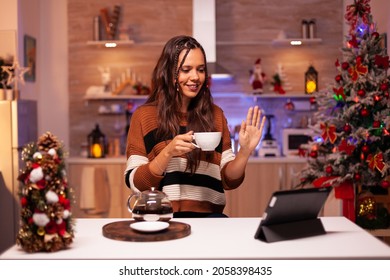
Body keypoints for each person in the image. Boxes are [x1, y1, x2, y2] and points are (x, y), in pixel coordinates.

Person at [124, 35, 265, 218]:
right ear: (169, 72)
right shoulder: (145, 116)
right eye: (186, 69)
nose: (195, 77)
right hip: (161, 219)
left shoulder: (215, 116)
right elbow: (136, 182)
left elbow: (229, 180)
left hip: (210, 220)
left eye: (200, 69)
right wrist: (167, 153)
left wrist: (245, 152)